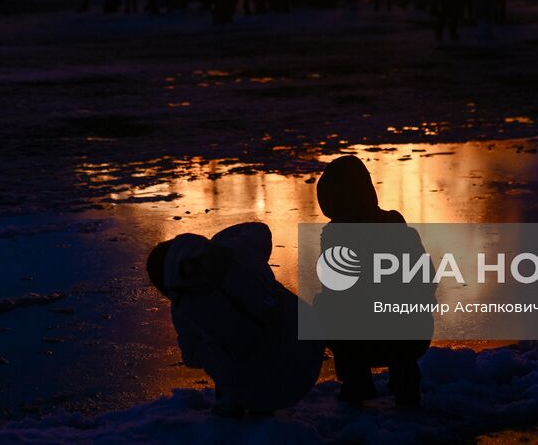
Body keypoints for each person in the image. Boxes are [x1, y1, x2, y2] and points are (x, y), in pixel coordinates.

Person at [146, 223, 323, 418]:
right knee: (275, 300)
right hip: (310, 358)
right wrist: (217, 244)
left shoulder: (183, 309)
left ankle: (234, 402)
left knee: (209, 344)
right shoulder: (236, 250)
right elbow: (260, 230)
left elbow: (192, 360)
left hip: (265, 393)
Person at [314, 155, 432, 406]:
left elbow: (337, 294)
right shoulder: (395, 223)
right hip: (415, 332)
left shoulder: (337, 236)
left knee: (324, 307)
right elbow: (426, 277)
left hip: (367, 341)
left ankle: (357, 383)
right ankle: (405, 373)